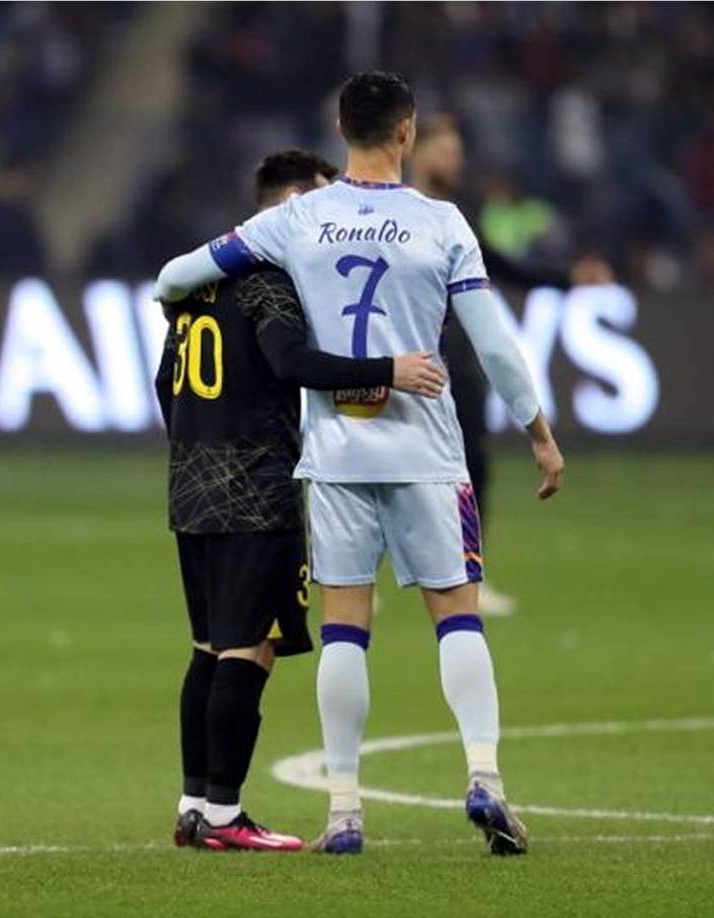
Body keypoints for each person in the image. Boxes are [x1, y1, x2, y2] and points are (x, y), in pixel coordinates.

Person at [154, 71, 565, 857]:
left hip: (336, 457)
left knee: (346, 630)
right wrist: (538, 432)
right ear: (407, 133)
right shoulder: (440, 222)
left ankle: (343, 810)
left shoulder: (297, 219)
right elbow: (495, 346)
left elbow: (178, 277)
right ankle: (486, 780)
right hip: (427, 453)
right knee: (457, 615)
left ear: (341, 130)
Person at [155, 148, 445, 853]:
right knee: (246, 651)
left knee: (206, 648)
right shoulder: (270, 280)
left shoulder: (197, 284)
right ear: (290, 206)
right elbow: (289, 362)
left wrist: (202, 443)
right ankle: (225, 814)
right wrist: (389, 371)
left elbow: (168, 383)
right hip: (257, 492)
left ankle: (194, 804)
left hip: (191, 487)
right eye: (318, 205)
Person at [412, 114, 611, 616]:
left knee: (470, 461)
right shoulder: (398, 209)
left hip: (454, 353)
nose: (455, 161)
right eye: (447, 151)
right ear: (417, 150)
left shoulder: (456, 214)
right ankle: (367, 577)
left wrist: (567, 278)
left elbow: (501, 265)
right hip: (400, 355)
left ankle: (466, 571)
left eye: (459, 152)